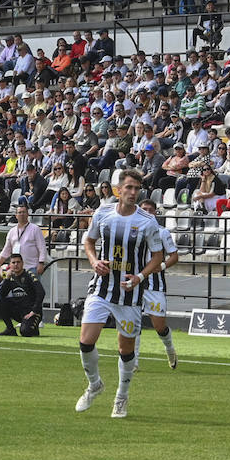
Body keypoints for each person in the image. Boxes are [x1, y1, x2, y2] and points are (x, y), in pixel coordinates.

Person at [74, 169, 167, 420]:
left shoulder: (147, 221)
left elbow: (158, 256)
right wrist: (93, 261)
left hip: (130, 293)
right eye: (129, 188)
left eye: (137, 189)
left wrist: (140, 277)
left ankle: (121, 397)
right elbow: (89, 241)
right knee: (85, 341)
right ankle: (94, 384)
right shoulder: (102, 213)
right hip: (102, 287)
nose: (133, 193)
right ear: (118, 190)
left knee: (126, 350)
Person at [138, 198, 181, 368]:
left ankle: (170, 349)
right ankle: (132, 362)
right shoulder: (134, 231)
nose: (147, 212)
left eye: (150, 209)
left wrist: (161, 266)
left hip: (155, 286)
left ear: (155, 212)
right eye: (144, 209)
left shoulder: (162, 232)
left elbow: (174, 256)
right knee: (133, 324)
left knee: (159, 326)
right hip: (135, 283)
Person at [0, 252, 45, 337]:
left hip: (31, 312)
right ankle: (10, 329)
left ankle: (33, 327)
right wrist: (6, 279)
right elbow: (2, 295)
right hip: (19, 311)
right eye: (13, 263)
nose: (16, 265)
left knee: (25, 332)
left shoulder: (29, 276)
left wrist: (34, 310)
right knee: (0, 302)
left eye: (18, 262)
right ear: (10, 265)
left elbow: (41, 292)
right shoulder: (10, 278)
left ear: (22, 263)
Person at [0, 203, 48, 278]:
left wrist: (41, 263)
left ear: (28, 214)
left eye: (24, 212)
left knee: (32, 289)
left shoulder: (35, 228)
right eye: (19, 212)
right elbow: (6, 250)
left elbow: (42, 247)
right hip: (16, 270)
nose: (22, 214)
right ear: (16, 215)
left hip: (32, 267)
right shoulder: (12, 231)